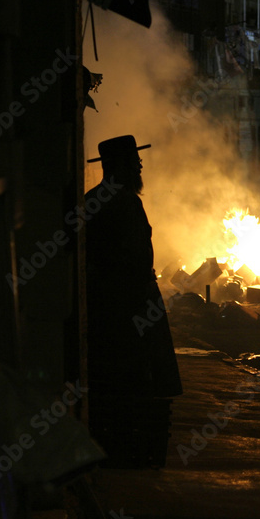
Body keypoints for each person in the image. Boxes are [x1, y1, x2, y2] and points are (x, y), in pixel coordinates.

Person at [85, 135, 182, 468]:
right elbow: (133, 261)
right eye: (135, 162)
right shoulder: (124, 202)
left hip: (109, 308)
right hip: (130, 307)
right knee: (136, 379)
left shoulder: (92, 200)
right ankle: (128, 453)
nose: (140, 168)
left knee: (115, 381)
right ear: (121, 166)